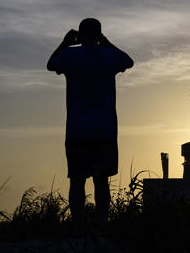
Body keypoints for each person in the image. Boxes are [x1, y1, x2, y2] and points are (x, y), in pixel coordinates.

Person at [47, 18, 133, 235]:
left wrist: (65, 42)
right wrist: (106, 42)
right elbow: (128, 61)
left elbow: (51, 64)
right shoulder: (109, 56)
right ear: (99, 35)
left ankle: (78, 227)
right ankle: (102, 226)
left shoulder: (70, 55)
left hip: (77, 130)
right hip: (104, 130)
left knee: (77, 181)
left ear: (79, 35)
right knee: (101, 181)